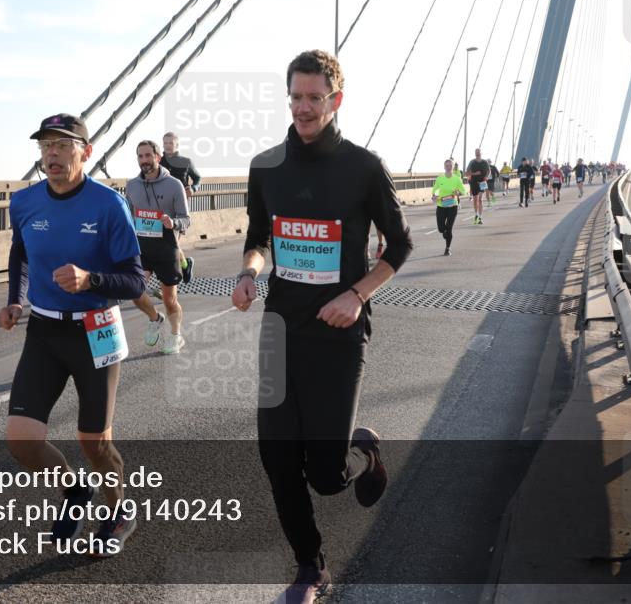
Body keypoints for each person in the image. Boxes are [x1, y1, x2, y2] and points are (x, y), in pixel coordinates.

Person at [231, 50, 413, 604]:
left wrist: (357, 295)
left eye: (315, 97)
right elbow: (259, 236)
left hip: (338, 334)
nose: (304, 107)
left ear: (336, 101)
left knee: (327, 475)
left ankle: (364, 453)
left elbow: (400, 245)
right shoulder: (266, 166)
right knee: (277, 459)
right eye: (296, 96)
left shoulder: (362, 167)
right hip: (280, 329)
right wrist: (248, 272)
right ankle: (310, 567)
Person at [0, 113, 144, 556]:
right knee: (22, 441)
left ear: (86, 151)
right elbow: (20, 255)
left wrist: (90, 280)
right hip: (43, 330)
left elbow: (135, 282)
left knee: (94, 443)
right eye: (46, 147)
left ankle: (119, 510)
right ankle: (75, 492)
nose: (52, 155)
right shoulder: (24, 203)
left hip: (95, 331)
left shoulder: (108, 204)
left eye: (63, 146)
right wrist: (15, 299)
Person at [126, 140, 191, 354]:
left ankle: (175, 335)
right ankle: (155, 318)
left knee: (169, 299)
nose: (144, 160)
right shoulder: (132, 185)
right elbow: (128, 216)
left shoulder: (174, 185)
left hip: (165, 248)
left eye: (147, 156)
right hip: (142, 248)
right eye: (140, 156)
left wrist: (173, 223)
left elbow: (186, 219)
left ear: (158, 157)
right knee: (135, 291)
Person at [161, 132, 202, 283]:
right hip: (162, 206)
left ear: (177, 145)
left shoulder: (186, 161)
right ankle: (185, 264)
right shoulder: (158, 161)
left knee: (172, 242)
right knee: (169, 243)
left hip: (180, 207)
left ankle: (171, 278)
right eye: (165, 143)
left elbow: (198, 178)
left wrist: (194, 188)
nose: (167, 146)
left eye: (170, 143)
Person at [432, 158, 464, 255]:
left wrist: (458, 192)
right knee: (441, 229)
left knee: (449, 228)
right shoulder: (439, 178)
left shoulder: (457, 179)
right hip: (441, 206)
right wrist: (434, 196)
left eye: (450, 166)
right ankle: (445, 233)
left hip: (452, 206)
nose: (449, 167)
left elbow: (463, 191)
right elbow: (435, 190)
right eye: (447, 166)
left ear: (453, 167)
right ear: (444, 167)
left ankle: (447, 248)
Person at [466, 148, 489, 225]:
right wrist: (475, 174)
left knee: (480, 199)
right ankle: (476, 214)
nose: (477, 154)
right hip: (474, 182)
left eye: (478, 152)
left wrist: (486, 177)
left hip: (482, 182)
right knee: (475, 199)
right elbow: (467, 173)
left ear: (481, 153)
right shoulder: (472, 162)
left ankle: (480, 217)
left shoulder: (485, 162)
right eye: (476, 152)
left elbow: (489, 171)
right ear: (475, 154)